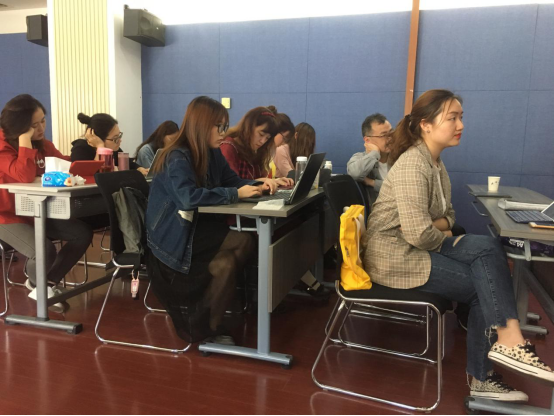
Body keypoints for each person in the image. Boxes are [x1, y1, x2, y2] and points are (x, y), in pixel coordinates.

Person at [362, 89, 554, 402]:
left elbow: (448, 216)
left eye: (461, 117)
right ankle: (488, 369)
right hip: (394, 257)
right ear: (426, 124)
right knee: (483, 277)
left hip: (414, 246)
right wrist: (440, 229)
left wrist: (438, 226)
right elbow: (419, 234)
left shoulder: (435, 164)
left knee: (488, 251)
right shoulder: (413, 165)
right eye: (452, 118)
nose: (460, 125)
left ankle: (506, 344)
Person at [146, 96, 271, 345]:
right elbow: (187, 198)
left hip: (196, 230)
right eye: (219, 127)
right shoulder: (177, 157)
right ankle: (205, 322)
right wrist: (236, 193)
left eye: (225, 126)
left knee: (233, 256)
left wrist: (262, 184)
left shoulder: (212, 153)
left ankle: (204, 321)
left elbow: (233, 181)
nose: (224, 133)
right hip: (174, 239)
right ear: (202, 125)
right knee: (242, 244)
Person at [0, 95, 93, 313]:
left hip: (37, 210)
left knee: (81, 233)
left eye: (43, 121)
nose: (41, 128)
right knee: (44, 250)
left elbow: (67, 166)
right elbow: (23, 175)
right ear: (20, 126)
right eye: (34, 125)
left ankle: (44, 284)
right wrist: (25, 140)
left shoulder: (44, 145)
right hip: (6, 216)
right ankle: (40, 286)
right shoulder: (3, 146)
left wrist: (93, 164)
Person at [221, 107, 293, 193]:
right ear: (249, 126)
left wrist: (273, 182)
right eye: (261, 134)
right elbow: (232, 184)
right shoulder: (228, 147)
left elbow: (256, 179)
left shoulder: (255, 149)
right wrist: (261, 181)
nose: (262, 141)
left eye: (267, 138)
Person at [71, 113, 149, 176]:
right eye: (115, 138)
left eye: (119, 136)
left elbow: (129, 164)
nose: (120, 140)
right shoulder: (80, 149)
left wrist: (140, 169)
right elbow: (92, 175)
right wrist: (100, 147)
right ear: (98, 138)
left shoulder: (114, 148)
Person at [347, 114, 392, 206]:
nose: (390, 138)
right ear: (367, 140)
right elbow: (354, 174)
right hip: (378, 213)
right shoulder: (360, 158)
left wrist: (372, 182)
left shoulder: (400, 158)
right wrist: (374, 153)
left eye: (391, 133)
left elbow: (401, 189)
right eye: (384, 135)